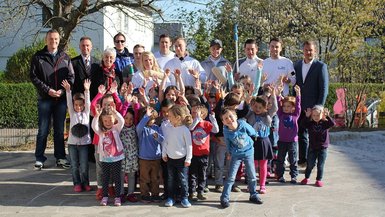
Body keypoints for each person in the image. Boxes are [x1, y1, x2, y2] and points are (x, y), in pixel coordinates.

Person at [30, 29, 74, 170]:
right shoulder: (38, 57)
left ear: (58, 41)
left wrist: (61, 91)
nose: (53, 41)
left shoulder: (65, 57)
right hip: (45, 99)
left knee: (60, 131)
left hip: (60, 100)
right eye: (50, 39)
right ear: (46, 40)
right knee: (43, 129)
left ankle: (60, 157)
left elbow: (71, 77)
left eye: (55, 39)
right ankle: (39, 158)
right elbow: (33, 77)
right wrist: (47, 90)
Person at [294, 40, 329, 167]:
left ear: (315, 51)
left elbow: (324, 88)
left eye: (311, 50)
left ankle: (312, 161)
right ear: (303, 51)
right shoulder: (297, 65)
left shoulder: (320, 66)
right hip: (300, 107)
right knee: (301, 134)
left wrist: (319, 106)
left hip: (314, 108)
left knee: (314, 137)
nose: (308, 52)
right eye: (306, 50)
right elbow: (295, 84)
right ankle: (302, 160)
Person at [220, 108, 263, 208]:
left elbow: (251, 131)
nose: (229, 119)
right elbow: (227, 142)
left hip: (248, 152)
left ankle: (253, 194)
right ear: (223, 122)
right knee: (231, 177)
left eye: (230, 116)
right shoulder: (226, 131)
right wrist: (229, 153)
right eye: (226, 118)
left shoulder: (242, 124)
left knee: (252, 175)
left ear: (235, 116)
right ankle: (225, 197)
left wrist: (255, 135)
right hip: (236, 155)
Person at [246, 86, 278, 194]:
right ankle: (251, 184)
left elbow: (275, 108)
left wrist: (273, 94)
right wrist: (249, 97)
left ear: (265, 108)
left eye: (260, 107)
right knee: (253, 165)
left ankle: (262, 185)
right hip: (252, 141)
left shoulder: (268, 115)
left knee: (263, 165)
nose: (257, 109)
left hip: (264, 141)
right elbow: (247, 108)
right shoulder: (250, 114)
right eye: (256, 107)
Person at [62, 79, 92, 192]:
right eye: (76, 105)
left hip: (84, 144)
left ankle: (85, 183)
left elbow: (88, 102)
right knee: (74, 166)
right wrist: (68, 91)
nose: (78, 107)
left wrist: (87, 90)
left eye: (81, 105)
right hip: (72, 144)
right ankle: (77, 183)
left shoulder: (86, 113)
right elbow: (69, 102)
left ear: (84, 105)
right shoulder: (72, 112)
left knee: (84, 166)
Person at [92, 104, 125, 206]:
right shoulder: (101, 131)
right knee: (105, 179)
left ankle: (118, 197)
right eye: (105, 121)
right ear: (102, 121)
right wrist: (97, 116)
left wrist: (115, 112)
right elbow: (94, 126)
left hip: (116, 158)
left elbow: (122, 121)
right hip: (105, 158)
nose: (108, 123)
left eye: (110, 120)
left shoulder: (116, 128)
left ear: (113, 119)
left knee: (117, 178)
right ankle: (105, 196)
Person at [162, 105, 193, 208]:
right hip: (170, 159)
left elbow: (189, 146)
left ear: (177, 117)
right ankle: (171, 197)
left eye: (170, 115)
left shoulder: (185, 130)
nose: (168, 117)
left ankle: (184, 198)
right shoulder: (168, 128)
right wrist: (164, 153)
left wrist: (188, 158)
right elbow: (165, 142)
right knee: (171, 179)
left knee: (183, 180)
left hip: (182, 160)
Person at [188, 104, 219, 201]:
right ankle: (192, 192)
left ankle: (200, 191)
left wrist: (213, 119)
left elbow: (216, 130)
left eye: (199, 112)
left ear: (204, 114)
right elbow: (190, 129)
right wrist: (196, 119)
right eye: (194, 112)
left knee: (202, 174)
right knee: (192, 174)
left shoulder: (206, 124)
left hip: (204, 154)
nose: (196, 114)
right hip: (193, 154)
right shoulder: (192, 123)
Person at [300, 106, 335, 187]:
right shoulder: (310, 124)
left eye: (318, 115)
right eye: (314, 115)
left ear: (322, 115)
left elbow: (332, 123)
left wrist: (327, 116)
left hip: (323, 148)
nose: (316, 117)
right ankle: (306, 178)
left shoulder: (325, 123)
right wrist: (307, 116)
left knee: (320, 165)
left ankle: (318, 179)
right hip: (312, 147)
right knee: (310, 164)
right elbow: (302, 124)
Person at [137, 107, 164, 203]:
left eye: (152, 118)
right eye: (148, 118)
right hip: (144, 158)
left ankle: (155, 194)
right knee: (144, 178)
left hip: (156, 158)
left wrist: (158, 137)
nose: (150, 120)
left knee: (155, 178)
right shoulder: (142, 129)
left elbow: (162, 140)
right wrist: (146, 116)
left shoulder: (157, 128)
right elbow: (139, 128)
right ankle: (144, 195)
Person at [275, 85, 301, 184]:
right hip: (282, 141)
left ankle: (294, 176)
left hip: (292, 142)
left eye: (288, 106)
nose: (286, 108)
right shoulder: (281, 114)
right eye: (284, 106)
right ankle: (280, 175)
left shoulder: (295, 115)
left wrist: (298, 94)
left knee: (293, 160)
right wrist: (278, 93)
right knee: (280, 160)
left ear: (293, 108)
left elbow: (299, 105)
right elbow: (278, 104)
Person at [119, 107, 139, 203]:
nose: (128, 121)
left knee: (131, 176)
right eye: (126, 118)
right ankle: (121, 193)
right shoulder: (119, 128)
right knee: (121, 176)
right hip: (122, 157)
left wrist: (135, 104)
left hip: (133, 157)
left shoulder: (135, 128)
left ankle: (130, 193)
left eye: (131, 119)